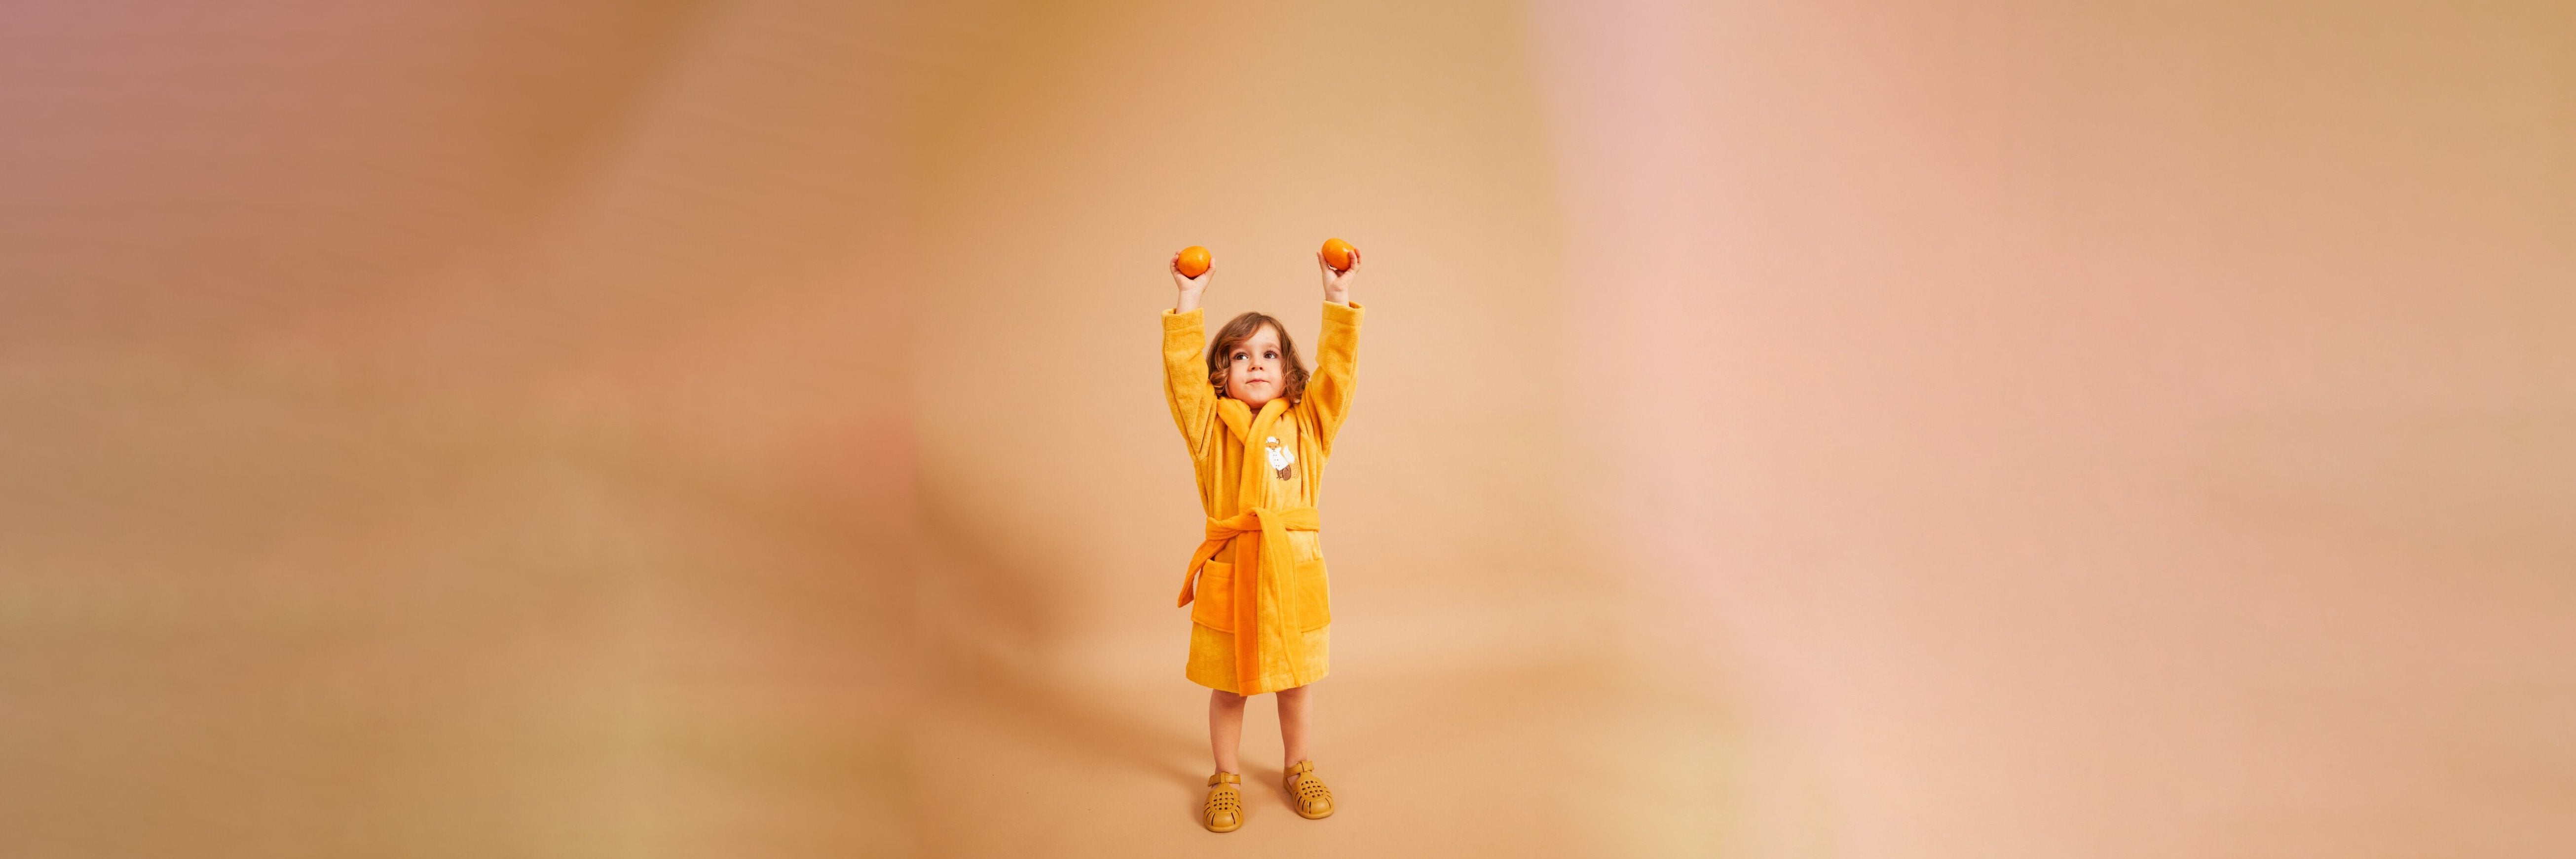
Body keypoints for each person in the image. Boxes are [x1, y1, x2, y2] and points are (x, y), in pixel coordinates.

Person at [1159, 244, 1365, 832]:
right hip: (1234, 567)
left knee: (1295, 686)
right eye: (1239, 355)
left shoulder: (1308, 425)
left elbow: (1340, 377)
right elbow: (1181, 381)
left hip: (1292, 570)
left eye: (1269, 354)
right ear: (1219, 374)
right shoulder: (1207, 427)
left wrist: (1337, 297)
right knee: (1229, 689)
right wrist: (1189, 298)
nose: (1255, 364)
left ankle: (1297, 766)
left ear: (1289, 371)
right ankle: (1225, 777)